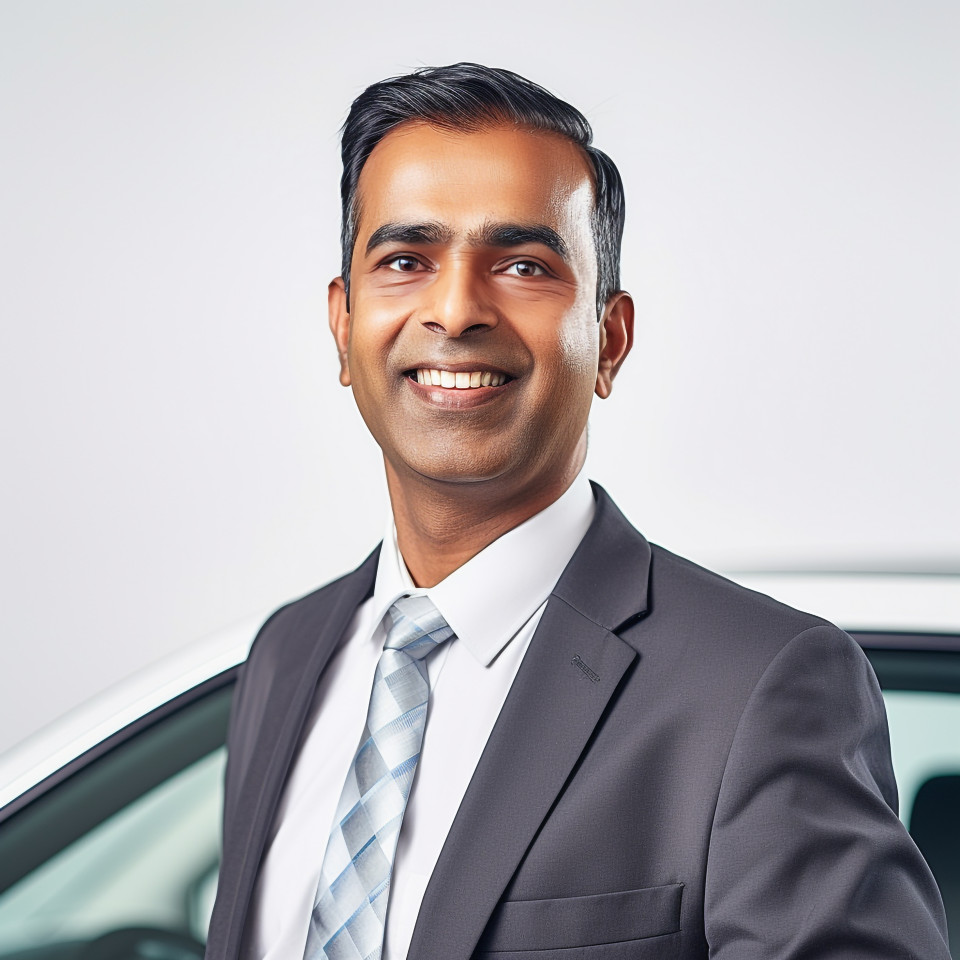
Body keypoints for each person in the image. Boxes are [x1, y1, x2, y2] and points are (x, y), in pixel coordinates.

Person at [205, 63, 949, 960]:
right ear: (342, 324)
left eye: (523, 265)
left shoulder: (759, 689)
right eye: (406, 260)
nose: (454, 309)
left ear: (611, 338)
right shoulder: (286, 657)